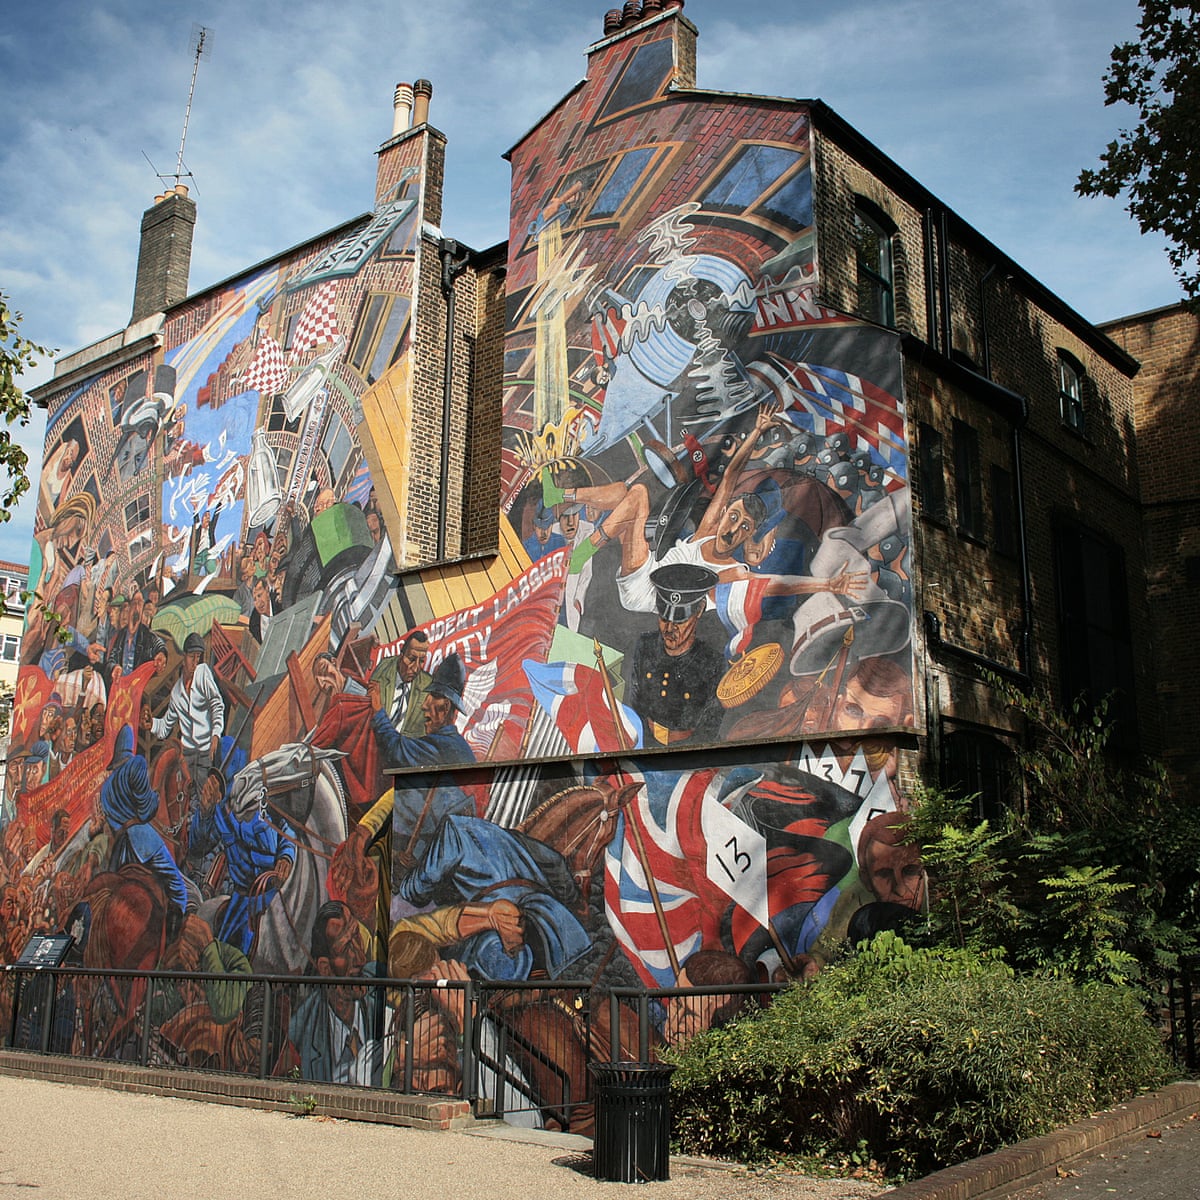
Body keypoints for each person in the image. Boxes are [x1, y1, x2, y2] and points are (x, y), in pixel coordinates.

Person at [187, 766, 295, 955]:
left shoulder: (265, 802)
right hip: (242, 899)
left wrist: (286, 856)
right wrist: (204, 814)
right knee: (226, 948)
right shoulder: (219, 815)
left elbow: (287, 828)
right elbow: (197, 847)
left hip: (274, 894)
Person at [99, 725, 191, 923]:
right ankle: (176, 929)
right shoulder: (136, 765)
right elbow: (147, 810)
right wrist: (155, 798)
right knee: (177, 885)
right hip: (142, 839)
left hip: (120, 848)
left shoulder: (105, 788)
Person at [629, 563, 724, 746]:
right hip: (645, 743)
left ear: (699, 610)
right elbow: (635, 702)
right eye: (664, 618)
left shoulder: (713, 663)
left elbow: (709, 727)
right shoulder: (645, 645)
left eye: (679, 620)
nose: (670, 628)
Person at [288, 900, 382, 1086]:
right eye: (346, 947)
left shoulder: (381, 988)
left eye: (357, 938)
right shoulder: (302, 1031)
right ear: (325, 967)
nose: (360, 958)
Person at [368, 652, 475, 769]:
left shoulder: (442, 745)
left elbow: (395, 749)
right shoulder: (460, 746)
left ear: (446, 707)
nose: (424, 705)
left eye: (434, 695)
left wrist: (378, 710)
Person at [149, 633, 226, 796]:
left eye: (199, 656)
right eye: (192, 656)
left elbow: (217, 703)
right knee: (183, 798)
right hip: (187, 755)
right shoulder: (176, 691)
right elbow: (165, 726)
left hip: (206, 752)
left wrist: (216, 734)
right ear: (184, 656)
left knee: (205, 795)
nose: (195, 661)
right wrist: (151, 724)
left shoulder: (203, 673)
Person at [369, 630, 432, 739]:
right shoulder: (384, 670)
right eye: (411, 659)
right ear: (401, 655)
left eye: (421, 661)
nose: (416, 668)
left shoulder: (427, 685)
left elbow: (420, 732)